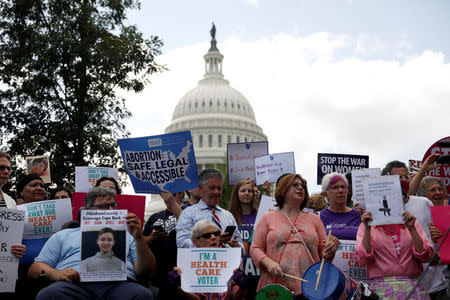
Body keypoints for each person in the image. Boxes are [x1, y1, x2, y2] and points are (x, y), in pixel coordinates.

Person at [28, 186, 156, 300]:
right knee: (48, 295)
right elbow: (35, 268)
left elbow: (146, 272)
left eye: (114, 206)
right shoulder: (63, 235)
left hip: (120, 284)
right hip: (73, 285)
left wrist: (139, 238)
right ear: (88, 209)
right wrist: (57, 274)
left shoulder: (128, 235)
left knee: (142, 295)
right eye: (105, 206)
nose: (111, 210)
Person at [250, 173, 340, 297]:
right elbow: (255, 248)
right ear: (283, 189)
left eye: (302, 186)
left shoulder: (315, 219)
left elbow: (325, 253)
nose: (300, 188)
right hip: (276, 288)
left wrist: (331, 249)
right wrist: (269, 263)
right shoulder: (267, 218)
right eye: (295, 185)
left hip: (310, 287)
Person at [355, 209, 434, 299]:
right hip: (381, 291)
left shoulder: (411, 223)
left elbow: (425, 255)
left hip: (413, 291)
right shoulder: (365, 226)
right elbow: (363, 258)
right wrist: (367, 229)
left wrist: (412, 229)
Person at [171, 220, 246, 300]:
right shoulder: (188, 263)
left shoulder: (234, 259)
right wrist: (179, 287)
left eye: (216, 234)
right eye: (207, 235)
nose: (213, 237)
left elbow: (237, 297)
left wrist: (242, 286)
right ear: (196, 242)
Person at [176, 168, 243, 249]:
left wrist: (236, 246)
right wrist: (209, 242)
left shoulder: (228, 216)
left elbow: (242, 248)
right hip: (201, 261)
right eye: (212, 188)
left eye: (219, 188)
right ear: (200, 188)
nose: (216, 192)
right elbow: (182, 243)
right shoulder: (188, 214)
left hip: (227, 260)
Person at [143, 190, 183, 299]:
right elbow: (140, 242)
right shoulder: (154, 217)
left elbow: (190, 229)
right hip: (157, 277)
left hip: (180, 274)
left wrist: (174, 205)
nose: (168, 197)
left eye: (172, 194)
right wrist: (151, 237)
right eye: (164, 195)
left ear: (181, 194)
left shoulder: (188, 213)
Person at [319, 172, 361, 240]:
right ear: (325, 194)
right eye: (335, 187)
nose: (340, 190)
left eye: (343, 187)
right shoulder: (317, 217)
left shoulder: (360, 214)